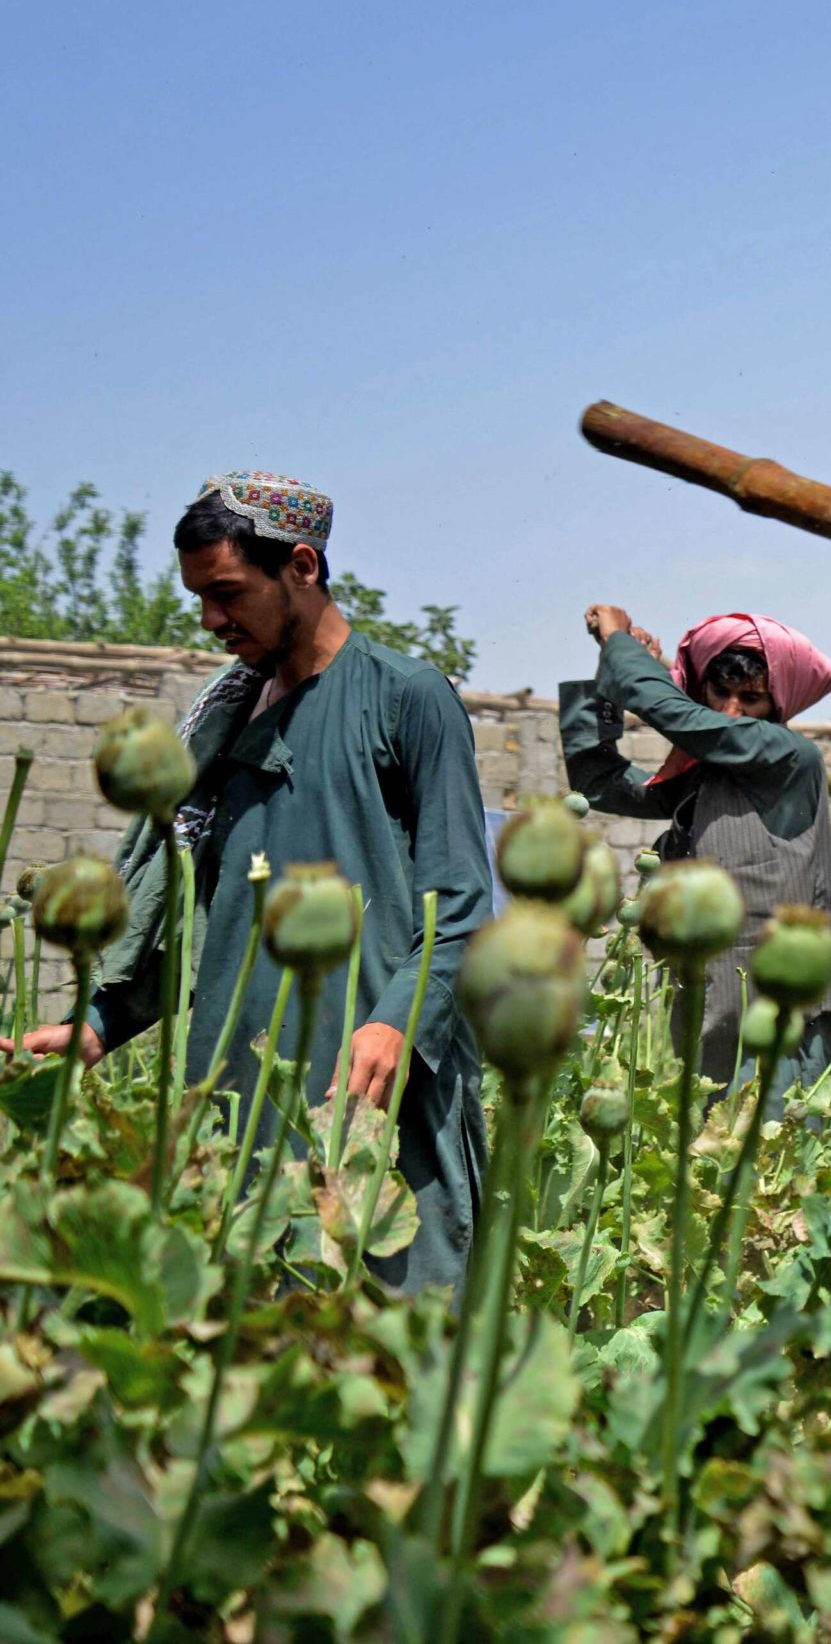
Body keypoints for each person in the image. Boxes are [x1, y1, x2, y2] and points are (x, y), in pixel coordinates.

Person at [3, 471, 496, 1290]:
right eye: (198, 596)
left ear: (302, 565)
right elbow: (200, 927)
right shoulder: (223, 723)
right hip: (232, 1106)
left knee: (395, 1366)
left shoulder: (407, 699)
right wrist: (97, 1024)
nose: (209, 620)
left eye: (227, 592)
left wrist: (400, 1022)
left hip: (370, 1100)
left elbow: (462, 902)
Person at [558, 609, 831, 1092]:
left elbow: (675, 715)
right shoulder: (704, 774)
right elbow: (601, 783)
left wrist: (620, 647)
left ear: (778, 704)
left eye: (751, 698)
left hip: (778, 1002)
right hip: (708, 998)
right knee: (708, 1147)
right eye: (720, 694)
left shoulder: (790, 757)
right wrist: (611, 677)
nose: (731, 711)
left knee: (779, 1148)